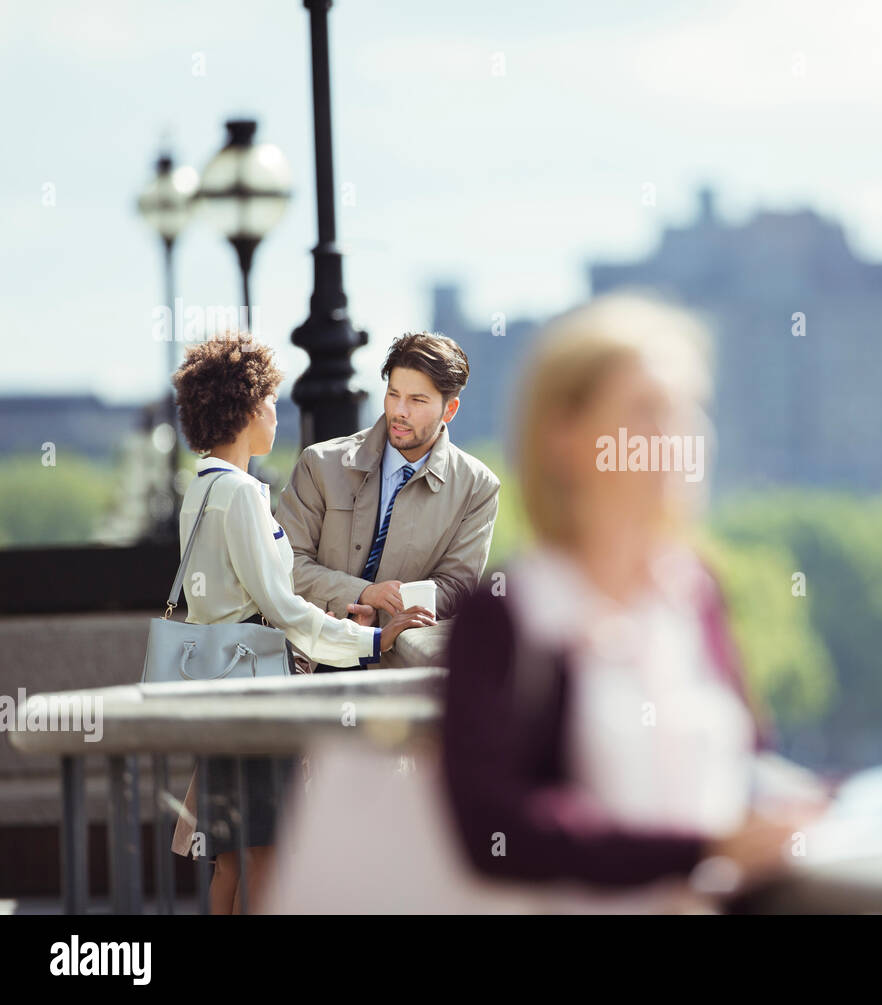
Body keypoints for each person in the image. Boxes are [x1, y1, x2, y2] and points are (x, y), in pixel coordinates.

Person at [441, 294, 825, 911]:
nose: (679, 437)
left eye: (689, 410)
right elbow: (495, 831)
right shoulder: (510, 612)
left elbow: (747, 763)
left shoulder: (696, 593)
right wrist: (700, 850)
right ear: (563, 436)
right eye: (648, 410)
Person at [167, 334, 436, 914]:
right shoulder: (241, 495)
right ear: (243, 410)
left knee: (231, 857)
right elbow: (284, 610)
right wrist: (372, 639)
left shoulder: (201, 489)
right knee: (269, 848)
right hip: (256, 689)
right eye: (268, 402)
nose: (275, 414)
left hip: (217, 683)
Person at [275, 332, 500, 671]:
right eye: (393, 394)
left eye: (417, 401)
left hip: (394, 673)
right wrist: (362, 594)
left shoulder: (477, 487)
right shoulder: (320, 463)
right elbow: (284, 563)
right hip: (308, 659)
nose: (400, 411)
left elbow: (455, 588)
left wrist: (384, 616)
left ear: (449, 409)